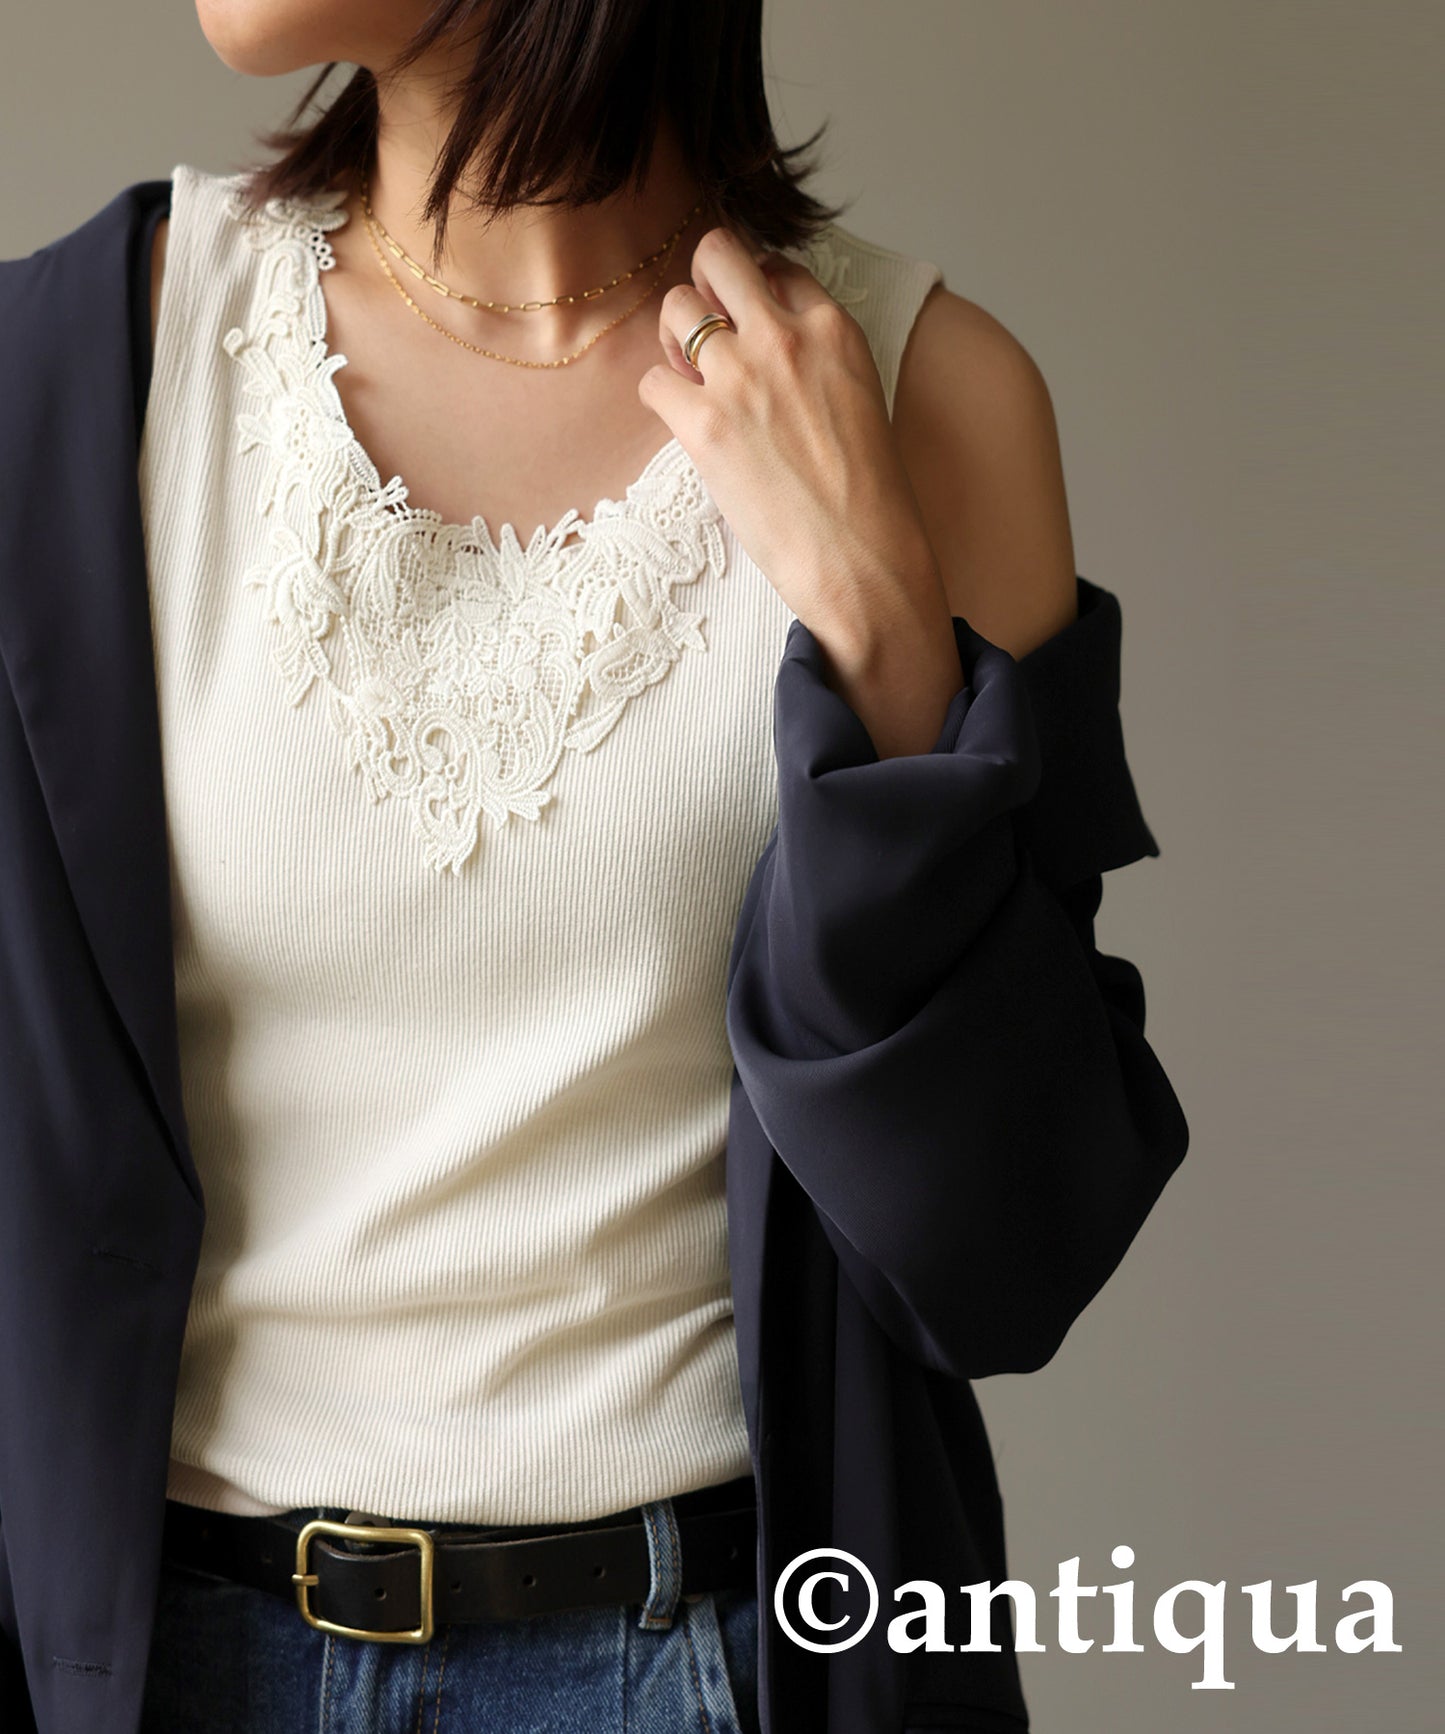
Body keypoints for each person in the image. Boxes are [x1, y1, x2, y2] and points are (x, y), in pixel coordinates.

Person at [0, 3, 1190, 1731]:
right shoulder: (66, 383)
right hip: (167, 1666)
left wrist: (883, 635)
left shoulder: (927, 400)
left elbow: (1004, 1250)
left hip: (715, 1664)